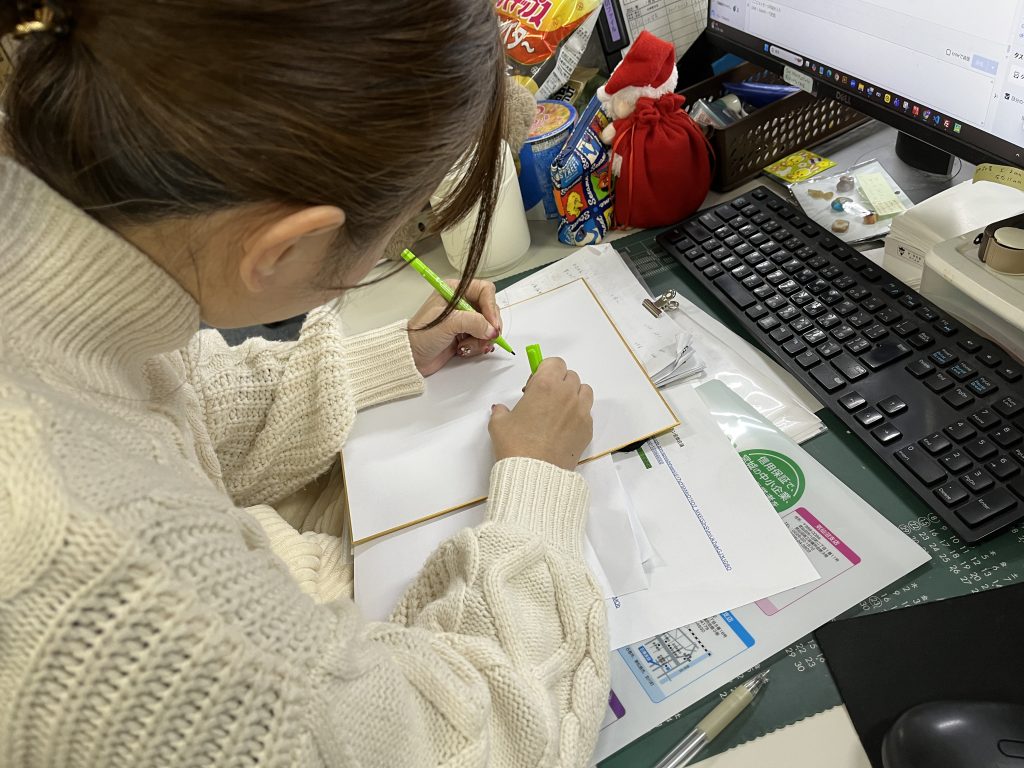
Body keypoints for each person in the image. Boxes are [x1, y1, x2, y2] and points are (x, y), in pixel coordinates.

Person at [0, 1, 610, 766]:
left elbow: (160, 399)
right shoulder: (129, 610)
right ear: (286, 246)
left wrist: (378, 360)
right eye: (403, 225)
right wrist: (539, 487)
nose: (396, 243)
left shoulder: (47, 232)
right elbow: (474, 744)